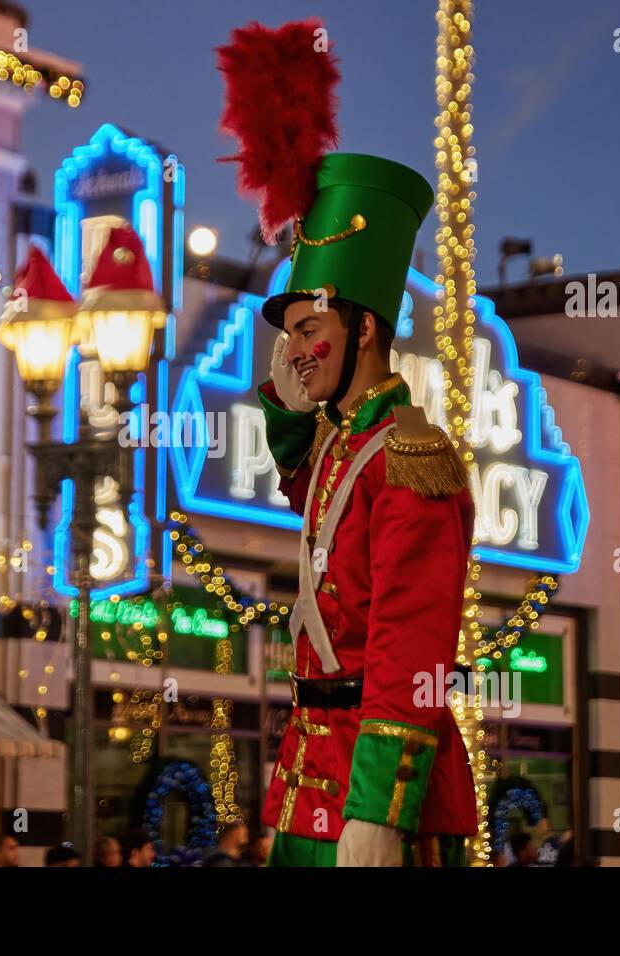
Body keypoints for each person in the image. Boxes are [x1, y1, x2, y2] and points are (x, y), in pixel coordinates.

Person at [218, 19, 477, 868]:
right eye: (287, 331)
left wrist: (379, 809)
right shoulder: (342, 447)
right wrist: (287, 406)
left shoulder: (412, 457)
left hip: (371, 794)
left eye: (310, 327)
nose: (294, 349)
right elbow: (318, 515)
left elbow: (411, 647)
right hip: (308, 775)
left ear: (365, 329)